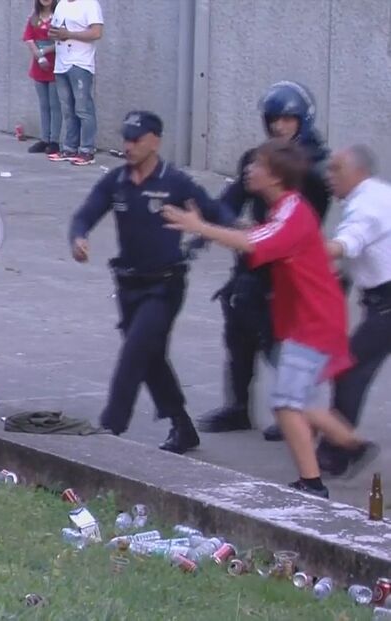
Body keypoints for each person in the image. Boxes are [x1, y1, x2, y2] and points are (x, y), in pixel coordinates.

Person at [163, 138, 378, 498]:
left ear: (276, 176)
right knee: (300, 400)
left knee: (287, 405)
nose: (250, 170)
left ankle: (312, 484)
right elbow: (258, 236)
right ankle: (353, 445)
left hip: (314, 321)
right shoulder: (283, 210)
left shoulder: (293, 212)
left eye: (258, 165)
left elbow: (255, 244)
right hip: (305, 318)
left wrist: (199, 227)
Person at [69, 111, 233, 453]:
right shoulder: (116, 182)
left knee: (135, 352)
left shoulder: (175, 182)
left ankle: (110, 427)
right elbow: (85, 214)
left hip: (164, 286)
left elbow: (217, 214)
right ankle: (182, 426)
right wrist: (79, 238)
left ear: (155, 141)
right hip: (128, 285)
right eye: (125, 139)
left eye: (136, 139)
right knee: (151, 357)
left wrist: (213, 237)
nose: (128, 146)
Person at [197, 81, 332, 441]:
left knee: (280, 343)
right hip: (254, 261)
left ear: (302, 120)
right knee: (238, 334)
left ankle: (303, 411)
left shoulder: (314, 168)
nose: (279, 127)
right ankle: (238, 408)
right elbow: (228, 200)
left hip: (289, 268)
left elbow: (308, 221)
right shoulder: (257, 160)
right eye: (274, 119)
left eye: (288, 120)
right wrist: (220, 227)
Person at [315, 145, 391, 476]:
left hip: (387, 305)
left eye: (336, 170)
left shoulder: (366, 206)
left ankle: (337, 450)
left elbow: (347, 242)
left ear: (358, 171)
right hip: (380, 301)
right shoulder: (378, 192)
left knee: (348, 369)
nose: (329, 177)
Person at [48, 0, 102, 166]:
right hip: (61, 63)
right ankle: (70, 148)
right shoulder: (61, 4)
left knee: (83, 108)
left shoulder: (90, 4)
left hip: (80, 63)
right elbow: (56, 29)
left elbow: (96, 33)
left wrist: (69, 34)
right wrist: (53, 34)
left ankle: (87, 150)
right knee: (67, 109)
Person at [22, 0, 61, 155]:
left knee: (54, 105)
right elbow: (28, 38)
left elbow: (60, 41)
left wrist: (44, 52)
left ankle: (54, 141)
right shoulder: (34, 17)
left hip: (55, 64)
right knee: (44, 105)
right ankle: (44, 138)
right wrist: (38, 55)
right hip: (39, 64)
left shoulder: (59, 16)